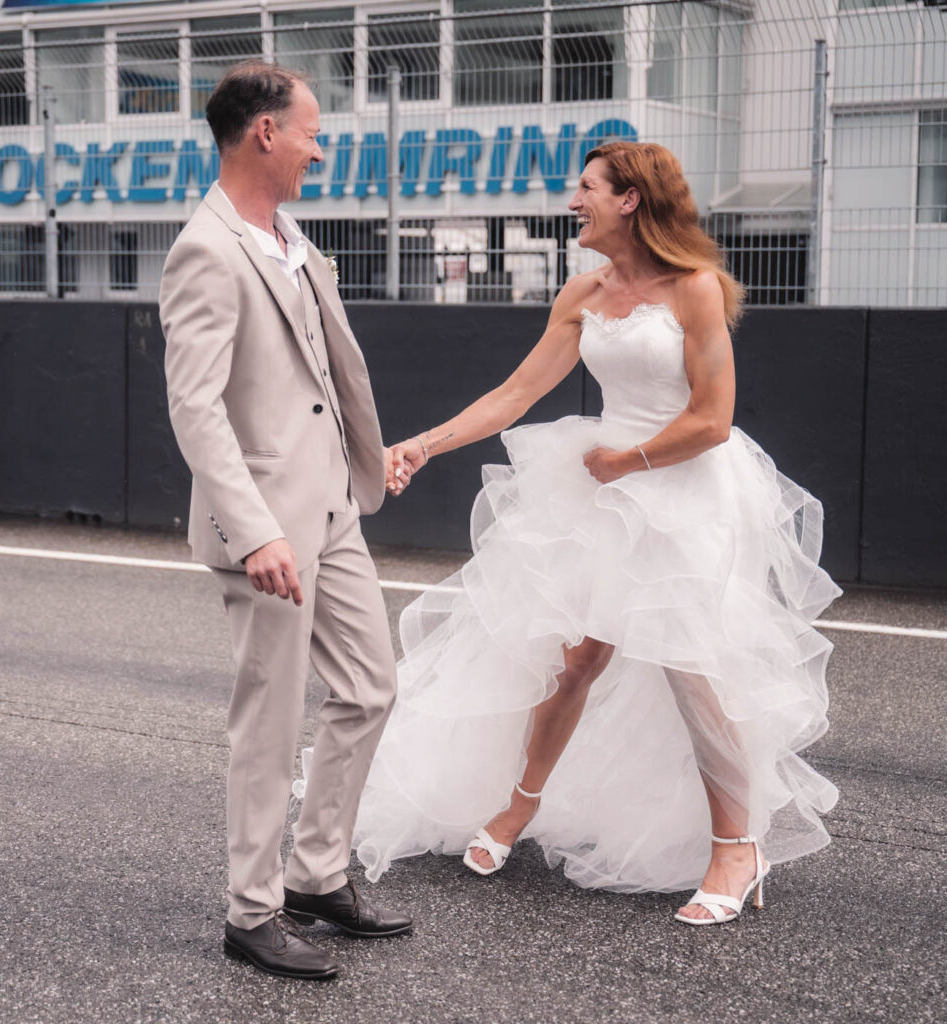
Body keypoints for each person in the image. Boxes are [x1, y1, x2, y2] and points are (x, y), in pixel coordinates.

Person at [356, 141, 840, 925]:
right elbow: (514, 394)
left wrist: (632, 461)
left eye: (585, 187)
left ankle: (736, 847)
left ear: (630, 201)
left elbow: (713, 419)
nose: (571, 199)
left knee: (691, 668)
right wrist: (421, 444)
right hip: (604, 487)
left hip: (683, 488)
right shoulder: (583, 292)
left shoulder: (697, 291)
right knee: (574, 656)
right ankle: (519, 806)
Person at [159, 61, 411, 980]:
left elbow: (317, 377)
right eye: (311, 131)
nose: (320, 146)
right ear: (265, 133)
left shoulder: (291, 236)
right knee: (268, 722)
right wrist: (254, 527)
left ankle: (314, 875)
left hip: (335, 508)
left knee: (371, 688)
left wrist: (360, 455)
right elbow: (198, 407)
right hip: (266, 526)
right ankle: (252, 912)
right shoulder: (207, 249)